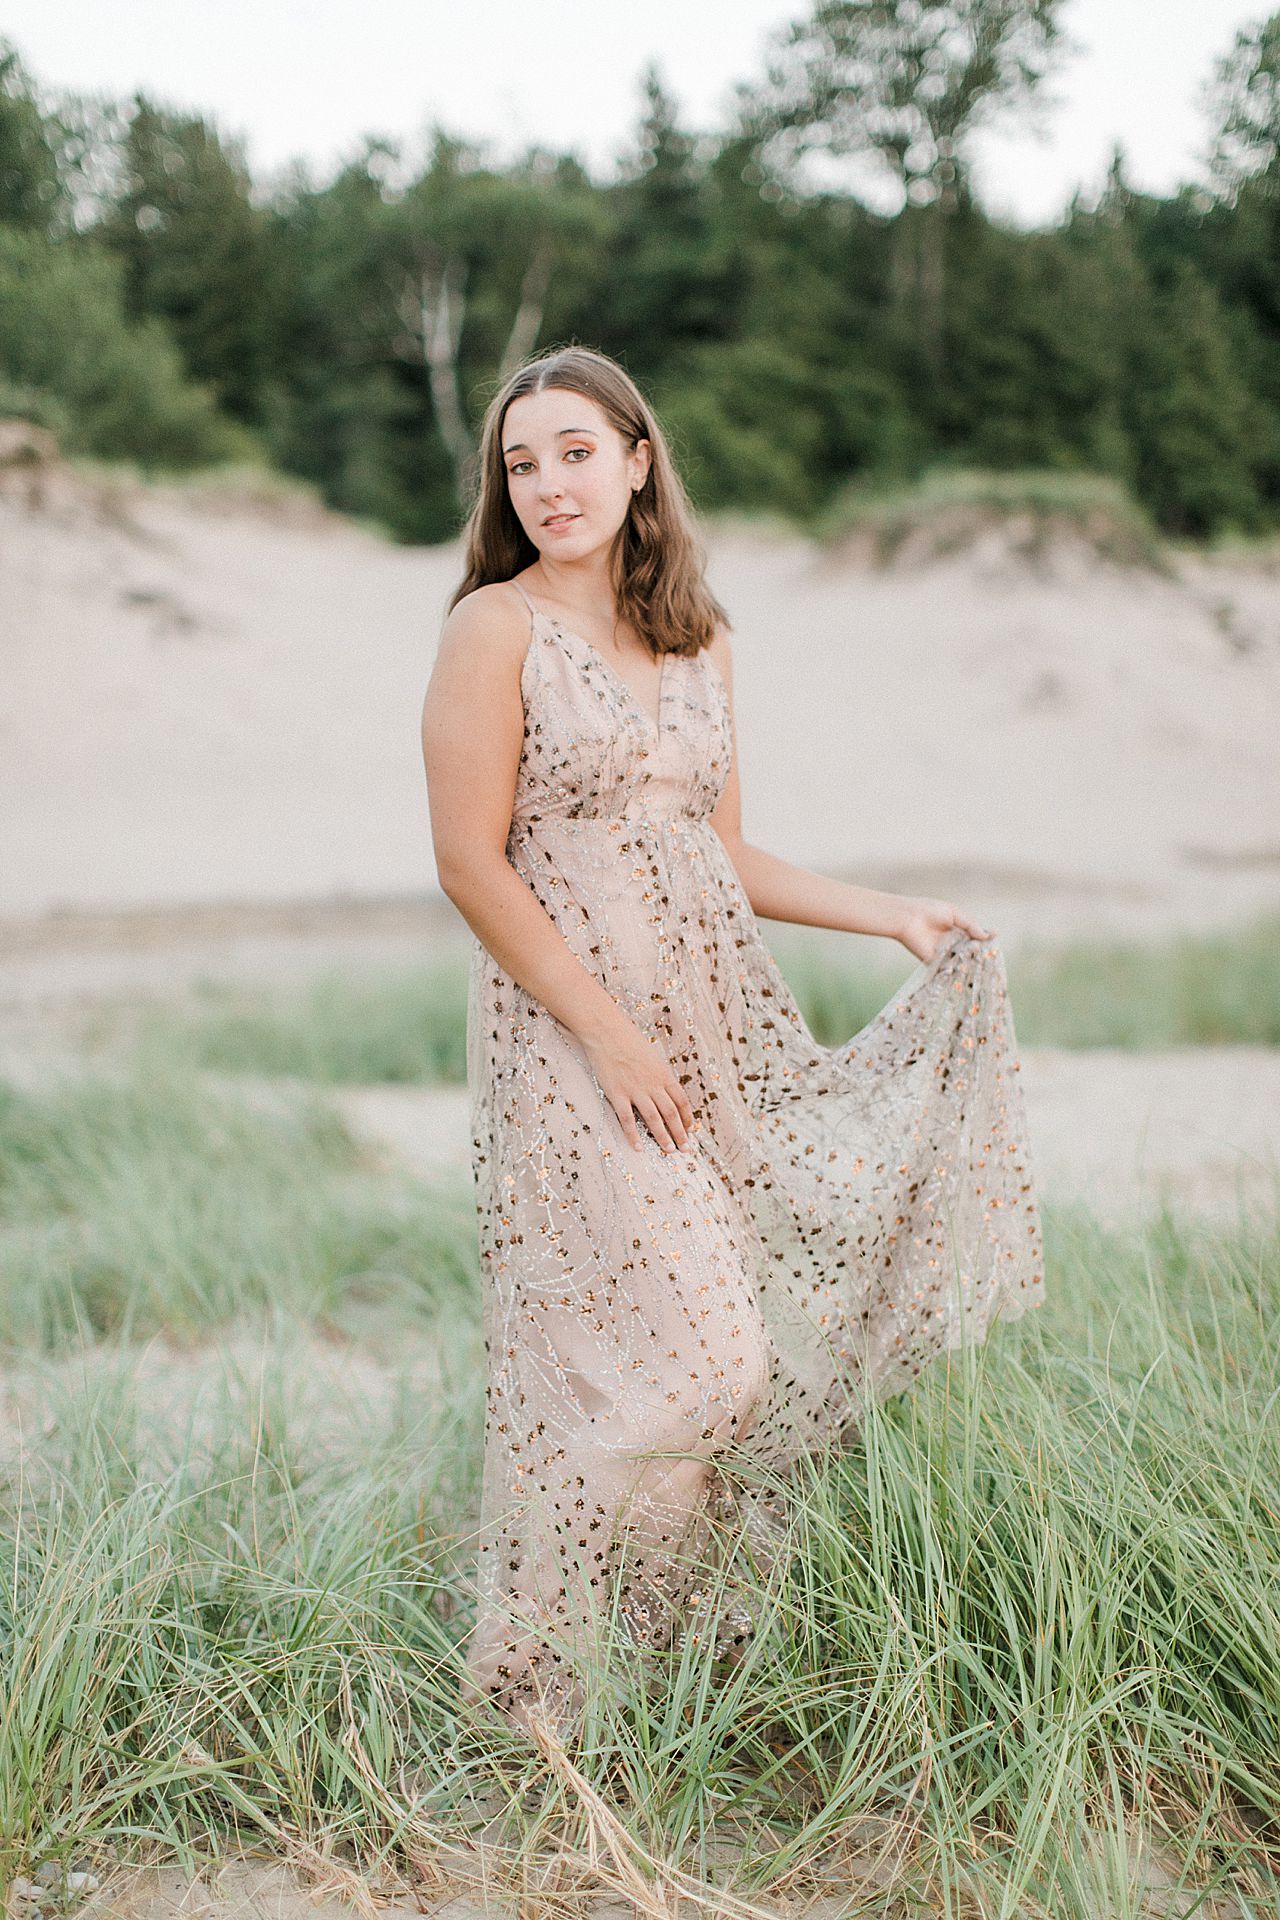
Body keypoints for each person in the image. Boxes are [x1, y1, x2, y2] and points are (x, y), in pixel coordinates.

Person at [420, 345, 1045, 1742]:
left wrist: (887, 914)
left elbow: (721, 848)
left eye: (575, 451)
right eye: (522, 463)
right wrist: (607, 1036)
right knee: (677, 1363)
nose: (547, 485)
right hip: (570, 1045)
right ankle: (545, 1687)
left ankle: (645, 1672)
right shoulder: (493, 632)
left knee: (713, 1355)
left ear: (639, 459)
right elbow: (470, 862)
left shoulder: (696, 638)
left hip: (701, 1032)